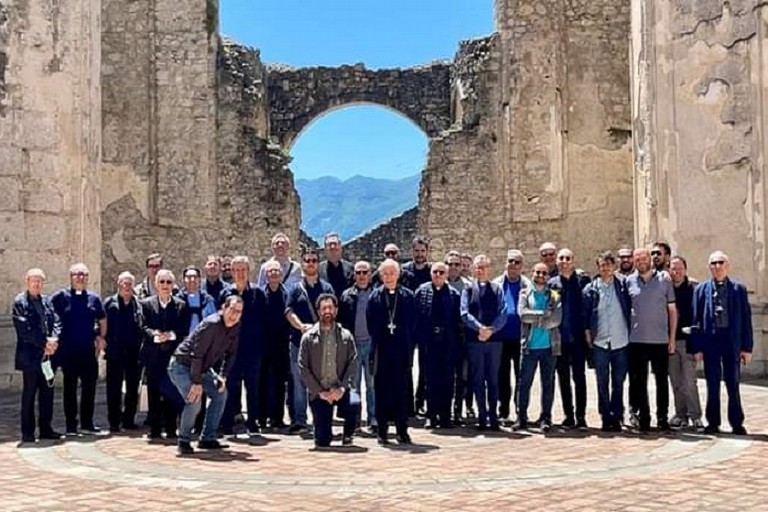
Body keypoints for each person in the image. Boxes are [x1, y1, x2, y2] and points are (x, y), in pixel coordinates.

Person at [169, 295, 244, 455]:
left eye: (239, 312)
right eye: (232, 310)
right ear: (223, 308)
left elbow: (231, 354)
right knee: (194, 399)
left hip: (203, 368)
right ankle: (184, 440)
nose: (235, 315)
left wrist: (222, 376)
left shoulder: (235, 326)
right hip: (182, 365)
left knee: (220, 393)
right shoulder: (212, 324)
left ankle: (207, 438)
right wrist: (196, 382)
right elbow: (197, 354)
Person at [691, 251, 752, 436]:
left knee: (733, 383)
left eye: (721, 263)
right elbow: (696, 322)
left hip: (731, 341)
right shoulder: (701, 290)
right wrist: (697, 347)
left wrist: (746, 347)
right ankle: (713, 422)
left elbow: (746, 320)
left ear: (727, 265)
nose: (717, 266)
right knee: (712, 383)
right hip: (711, 341)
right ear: (709, 267)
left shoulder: (738, 289)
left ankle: (736, 422)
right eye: (714, 263)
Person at [51, 263, 107, 435]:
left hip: (87, 351)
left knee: (89, 387)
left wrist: (101, 337)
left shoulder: (93, 298)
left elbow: (102, 319)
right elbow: (49, 314)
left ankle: (87, 423)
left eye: (84, 274)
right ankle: (70, 425)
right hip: (68, 352)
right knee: (70, 389)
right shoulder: (60, 297)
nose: (80, 278)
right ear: (71, 277)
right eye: (77, 274)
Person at [626, 248, 677, 432]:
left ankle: (662, 418)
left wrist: (671, 338)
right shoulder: (628, 281)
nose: (641, 261)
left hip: (660, 340)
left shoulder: (664, 280)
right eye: (637, 258)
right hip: (636, 341)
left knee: (662, 381)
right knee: (639, 382)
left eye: (644, 258)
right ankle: (644, 418)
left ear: (650, 260)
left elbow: (672, 311)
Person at [285, 248, 335, 433]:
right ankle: (299, 420)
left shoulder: (326, 288)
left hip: (322, 342)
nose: (311, 263)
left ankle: (320, 418)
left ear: (318, 263)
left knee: (321, 381)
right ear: (303, 264)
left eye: (314, 260)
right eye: (307, 260)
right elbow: (288, 312)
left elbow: (330, 311)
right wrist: (301, 326)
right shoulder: (295, 289)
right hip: (298, 341)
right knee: (298, 382)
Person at [299, 294, 359, 448]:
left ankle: (348, 434)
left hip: (340, 388)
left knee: (355, 404)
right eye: (324, 308)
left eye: (330, 308)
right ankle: (323, 429)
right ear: (318, 311)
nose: (327, 311)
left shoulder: (346, 336)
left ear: (336, 310)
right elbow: (303, 368)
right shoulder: (308, 337)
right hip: (320, 392)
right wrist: (320, 392)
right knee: (323, 441)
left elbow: (353, 363)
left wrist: (342, 388)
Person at [367, 259, 416, 445]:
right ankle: (382, 431)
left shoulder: (407, 296)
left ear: (398, 275)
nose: (388, 277)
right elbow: (371, 322)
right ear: (380, 276)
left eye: (392, 273)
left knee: (401, 392)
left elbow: (412, 323)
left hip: (401, 350)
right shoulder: (375, 297)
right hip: (382, 350)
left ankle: (402, 430)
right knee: (382, 391)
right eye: (385, 274)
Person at [582, 252, 631, 432]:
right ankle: (605, 415)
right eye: (602, 265)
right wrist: (588, 335)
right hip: (600, 342)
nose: (606, 268)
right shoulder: (591, 289)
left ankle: (617, 415)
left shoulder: (623, 286)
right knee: (601, 381)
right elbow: (585, 316)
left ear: (614, 266)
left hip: (620, 341)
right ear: (598, 267)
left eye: (609, 265)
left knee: (618, 381)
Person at [13, 268, 62, 443]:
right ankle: (27, 432)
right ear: (27, 281)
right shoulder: (20, 302)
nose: (37, 284)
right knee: (29, 394)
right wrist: (44, 343)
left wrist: (54, 339)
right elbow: (24, 330)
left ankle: (46, 429)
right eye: (34, 280)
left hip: (47, 356)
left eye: (40, 281)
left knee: (47, 394)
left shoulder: (47, 301)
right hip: (30, 357)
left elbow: (56, 321)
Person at [219, 256, 266, 436]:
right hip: (231, 349)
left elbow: (263, 321)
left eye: (243, 270)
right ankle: (228, 424)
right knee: (231, 387)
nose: (240, 273)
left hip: (252, 350)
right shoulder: (225, 294)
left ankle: (253, 423)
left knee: (253, 388)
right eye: (236, 270)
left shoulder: (257, 293)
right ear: (231, 272)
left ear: (249, 271)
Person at [140, 269, 189, 439]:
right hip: (153, 356)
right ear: (156, 284)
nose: (165, 286)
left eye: (168, 282)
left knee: (171, 391)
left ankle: (170, 428)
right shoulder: (146, 304)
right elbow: (143, 326)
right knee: (153, 392)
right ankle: (154, 429)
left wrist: (171, 335)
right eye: (162, 282)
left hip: (172, 357)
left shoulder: (181, 305)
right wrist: (155, 335)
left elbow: (183, 329)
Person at [461, 254, 507, 431]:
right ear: (473, 269)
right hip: (475, 341)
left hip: (494, 342)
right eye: (478, 267)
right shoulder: (468, 290)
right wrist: (480, 328)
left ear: (489, 268)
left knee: (493, 380)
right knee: (478, 380)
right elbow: (464, 313)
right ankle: (481, 417)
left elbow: (503, 313)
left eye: (484, 266)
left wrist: (491, 330)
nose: (481, 270)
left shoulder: (497, 289)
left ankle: (493, 417)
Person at [514, 262, 562, 433]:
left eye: (544, 273)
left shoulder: (554, 295)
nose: (541, 275)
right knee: (524, 384)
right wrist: (543, 315)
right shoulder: (524, 293)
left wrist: (537, 319)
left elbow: (557, 319)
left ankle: (546, 417)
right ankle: (522, 418)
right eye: (537, 272)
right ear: (532, 273)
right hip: (530, 347)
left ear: (548, 276)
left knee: (547, 384)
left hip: (549, 347)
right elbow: (523, 315)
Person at [414, 262, 462, 428]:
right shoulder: (421, 291)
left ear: (447, 275)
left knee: (448, 381)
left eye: (442, 272)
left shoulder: (454, 295)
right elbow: (416, 318)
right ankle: (431, 415)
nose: (438, 275)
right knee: (429, 380)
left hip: (447, 344)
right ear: (431, 273)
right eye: (435, 272)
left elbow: (458, 322)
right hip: (428, 344)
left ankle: (445, 416)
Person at [548, 248, 591, 429]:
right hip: (560, 338)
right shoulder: (552, 284)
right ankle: (569, 415)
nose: (564, 261)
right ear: (557, 261)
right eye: (561, 258)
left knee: (579, 378)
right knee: (563, 379)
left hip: (579, 338)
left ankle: (581, 416)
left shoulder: (582, 281)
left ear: (573, 261)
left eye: (568, 258)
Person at [338, 260, 378, 434]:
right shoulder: (346, 296)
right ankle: (354, 419)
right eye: (358, 272)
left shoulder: (377, 295)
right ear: (354, 275)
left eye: (365, 272)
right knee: (353, 386)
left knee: (372, 384)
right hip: (353, 345)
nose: (362, 276)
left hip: (371, 345)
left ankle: (373, 418)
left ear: (370, 275)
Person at [103, 272, 145, 432]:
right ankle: (114, 420)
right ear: (118, 284)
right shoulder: (109, 303)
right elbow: (100, 323)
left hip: (134, 353)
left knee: (133, 387)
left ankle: (129, 419)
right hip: (115, 352)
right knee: (113, 387)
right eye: (124, 283)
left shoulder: (139, 305)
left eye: (129, 284)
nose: (126, 286)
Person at [492, 249, 529, 423]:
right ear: (505, 263)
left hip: (521, 338)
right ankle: (503, 410)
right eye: (510, 261)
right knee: (502, 376)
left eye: (517, 262)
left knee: (521, 376)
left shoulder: (527, 285)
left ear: (522, 265)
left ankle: (521, 411)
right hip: (501, 338)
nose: (513, 265)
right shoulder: (496, 284)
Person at [668, 256, 703, 429]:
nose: (677, 272)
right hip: (671, 341)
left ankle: (695, 415)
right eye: (673, 269)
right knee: (676, 381)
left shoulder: (694, 288)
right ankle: (681, 414)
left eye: (679, 268)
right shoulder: (666, 289)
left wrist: (699, 343)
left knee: (690, 381)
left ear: (686, 269)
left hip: (689, 342)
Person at [401, 236, 433, 415]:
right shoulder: (404, 271)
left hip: (425, 326)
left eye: (422, 251)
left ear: (427, 252)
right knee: (406, 364)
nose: (420, 254)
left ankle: (420, 400)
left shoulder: (432, 272)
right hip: (407, 325)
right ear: (411, 251)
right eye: (417, 251)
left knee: (425, 365)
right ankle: (407, 404)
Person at [259, 259, 291, 429]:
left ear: (281, 274)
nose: (273, 274)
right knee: (262, 381)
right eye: (270, 271)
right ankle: (262, 417)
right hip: (263, 344)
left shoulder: (288, 294)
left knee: (279, 382)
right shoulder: (259, 294)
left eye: (276, 271)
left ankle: (277, 418)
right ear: (265, 275)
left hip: (282, 344)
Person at [445, 250, 473, 423]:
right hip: (445, 339)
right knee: (445, 376)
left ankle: (459, 411)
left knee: (462, 377)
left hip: (462, 337)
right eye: (450, 264)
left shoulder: (468, 287)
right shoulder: (439, 283)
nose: (454, 268)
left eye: (457, 264)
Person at [318, 232, 354, 298]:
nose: (333, 247)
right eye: (330, 245)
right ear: (325, 250)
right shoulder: (318, 269)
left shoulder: (350, 268)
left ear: (340, 248)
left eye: (335, 245)